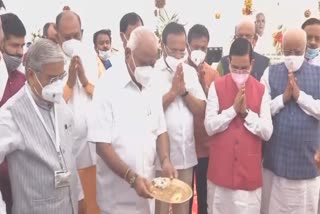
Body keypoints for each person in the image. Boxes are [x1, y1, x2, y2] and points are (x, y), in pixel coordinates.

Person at [87, 26, 176, 214]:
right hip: (117, 203)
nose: (149, 69)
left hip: (148, 199)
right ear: (128, 52)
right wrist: (132, 178)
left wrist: (166, 159)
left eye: (153, 63)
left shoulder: (153, 84)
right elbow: (102, 145)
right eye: (144, 63)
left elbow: (160, 130)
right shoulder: (107, 86)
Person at [0, 38, 84, 214]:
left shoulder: (60, 105)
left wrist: (79, 197)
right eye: (52, 78)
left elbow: (70, 155)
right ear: (31, 75)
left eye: (61, 77)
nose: (58, 84)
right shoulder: (11, 114)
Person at [204, 37, 272, 214]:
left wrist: (246, 113)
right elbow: (209, 126)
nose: (240, 72)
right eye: (235, 68)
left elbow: (267, 132)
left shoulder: (261, 90)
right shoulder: (216, 86)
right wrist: (233, 110)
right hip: (220, 175)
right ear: (228, 62)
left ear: (252, 63)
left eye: (244, 68)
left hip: (248, 178)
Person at [260, 29, 320, 214]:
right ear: (281, 49)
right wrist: (284, 98)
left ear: (305, 49)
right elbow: (261, 110)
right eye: (287, 52)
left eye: (297, 52)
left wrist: (300, 96)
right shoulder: (270, 72)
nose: (292, 56)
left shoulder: (318, 74)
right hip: (275, 161)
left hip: (307, 162)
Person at [153, 22, 206, 214]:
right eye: (173, 50)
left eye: (181, 51)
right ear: (163, 46)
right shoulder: (152, 73)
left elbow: (201, 108)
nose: (177, 55)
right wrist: (172, 92)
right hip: (159, 158)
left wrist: (184, 92)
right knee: (158, 207)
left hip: (185, 155)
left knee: (182, 207)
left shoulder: (190, 72)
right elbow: (148, 112)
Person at [55, 10, 99, 213]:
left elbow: (103, 95)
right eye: (67, 37)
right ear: (57, 36)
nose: (72, 41)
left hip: (94, 144)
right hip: (68, 147)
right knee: (75, 201)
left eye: (76, 36)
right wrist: (70, 83)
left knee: (96, 200)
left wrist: (84, 81)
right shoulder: (50, 61)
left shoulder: (92, 57)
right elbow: (49, 103)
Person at [186, 24, 219, 214]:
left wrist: (204, 86)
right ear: (188, 46)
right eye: (195, 47)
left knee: (205, 198)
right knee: (184, 196)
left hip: (206, 147)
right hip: (184, 145)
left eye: (203, 48)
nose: (199, 52)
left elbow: (217, 109)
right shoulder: (180, 71)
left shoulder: (213, 75)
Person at [0, 13, 26, 214]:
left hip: (21, 177)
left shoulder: (24, 81)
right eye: (14, 46)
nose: (19, 53)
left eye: (22, 46)